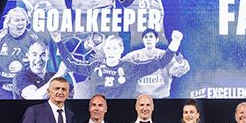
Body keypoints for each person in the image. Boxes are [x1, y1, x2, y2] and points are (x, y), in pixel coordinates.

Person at [53, 30, 184, 99]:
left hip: (123, 114)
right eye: (108, 48)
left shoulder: (131, 67)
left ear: (121, 50)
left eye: (115, 48)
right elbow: (71, 64)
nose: (111, 52)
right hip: (100, 114)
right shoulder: (94, 66)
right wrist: (58, 41)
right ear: (104, 50)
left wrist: (175, 42)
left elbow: (160, 62)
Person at [0, 7, 39, 99]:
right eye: (16, 20)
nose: (21, 23)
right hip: (0, 88)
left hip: (23, 87)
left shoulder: (33, 38)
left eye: (23, 20)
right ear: (8, 23)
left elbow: (39, 66)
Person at [122, 28, 190, 98]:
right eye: (146, 37)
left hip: (162, 98)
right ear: (143, 40)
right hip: (140, 99)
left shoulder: (165, 55)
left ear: (156, 39)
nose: (148, 39)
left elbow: (176, 72)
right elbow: (120, 65)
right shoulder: (134, 56)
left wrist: (181, 63)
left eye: (151, 37)